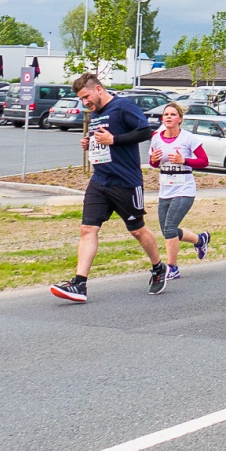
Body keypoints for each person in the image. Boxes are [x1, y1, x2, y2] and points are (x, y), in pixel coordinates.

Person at [50, 73, 167, 301]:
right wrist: (89, 142)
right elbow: (100, 138)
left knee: (137, 230)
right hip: (100, 180)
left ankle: (158, 267)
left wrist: (114, 140)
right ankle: (79, 284)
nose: (85, 102)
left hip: (126, 181)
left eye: (86, 97)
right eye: (81, 99)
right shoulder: (96, 113)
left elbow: (145, 131)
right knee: (87, 229)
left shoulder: (123, 107)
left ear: (99, 89)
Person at [148, 102, 211, 281]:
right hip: (165, 188)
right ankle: (200, 240)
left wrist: (185, 160)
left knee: (169, 228)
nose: (168, 117)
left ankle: (173, 268)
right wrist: (153, 159)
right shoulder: (156, 138)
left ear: (180, 119)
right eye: (166, 114)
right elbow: (153, 162)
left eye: (173, 114)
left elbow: (204, 161)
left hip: (184, 188)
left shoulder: (188, 138)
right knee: (168, 229)